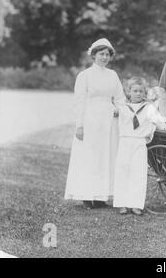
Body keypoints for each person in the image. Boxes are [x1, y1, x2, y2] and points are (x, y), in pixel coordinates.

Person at [64, 38, 125, 209]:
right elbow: (79, 102)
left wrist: (118, 109)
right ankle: (87, 195)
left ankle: (101, 196)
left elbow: (120, 98)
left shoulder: (113, 75)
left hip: (108, 122)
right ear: (94, 55)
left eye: (107, 54)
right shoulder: (84, 76)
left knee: (105, 156)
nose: (104, 57)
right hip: (90, 120)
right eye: (101, 54)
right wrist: (80, 125)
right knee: (90, 157)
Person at [113, 77, 166, 215]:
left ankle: (136, 204)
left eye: (141, 91)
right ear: (128, 91)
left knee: (138, 173)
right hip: (125, 141)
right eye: (135, 90)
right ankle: (122, 203)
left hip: (139, 142)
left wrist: (165, 126)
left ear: (145, 93)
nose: (138, 93)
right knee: (122, 172)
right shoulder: (122, 108)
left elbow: (159, 121)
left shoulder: (149, 108)